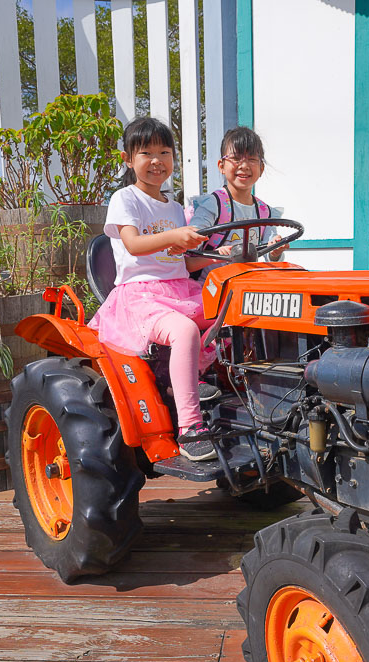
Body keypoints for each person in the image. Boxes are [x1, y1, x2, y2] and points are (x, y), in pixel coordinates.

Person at [88, 117, 222, 462]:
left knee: (235, 312)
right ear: (127, 159)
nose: (156, 160)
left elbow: (179, 263)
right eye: (145, 152)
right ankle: (191, 427)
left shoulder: (176, 207)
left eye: (164, 151)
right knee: (184, 330)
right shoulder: (125, 198)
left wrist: (215, 258)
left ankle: (199, 379)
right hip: (141, 295)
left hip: (179, 288)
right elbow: (133, 244)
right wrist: (175, 236)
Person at [188, 127, 289, 281]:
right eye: (236, 158)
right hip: (209, 287)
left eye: (252, 159)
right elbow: (192, 243)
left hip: (245, 286)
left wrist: (275, 250)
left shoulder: (264, 212)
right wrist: (213, 253)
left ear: (261, 168)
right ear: (221, 166)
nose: (244, 165)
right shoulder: (214, 205)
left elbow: (270, 252)